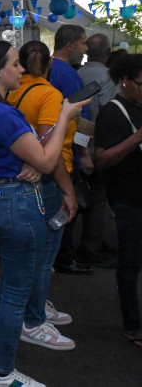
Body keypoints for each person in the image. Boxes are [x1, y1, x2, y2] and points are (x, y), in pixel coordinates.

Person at [0, 40, 88, 387]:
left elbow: (28, 154)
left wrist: (29, 160)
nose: (21, 70)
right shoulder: (1, 112)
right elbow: (48, 160)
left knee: (11, 282)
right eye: (15, 64)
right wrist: (65, 115)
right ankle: (2, 373)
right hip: (15, 204)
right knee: (19, 290)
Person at [6, 41, 78, 353]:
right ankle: (33, 319)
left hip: (28, 176)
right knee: (44, 256)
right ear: (49, 65)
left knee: (35, 256)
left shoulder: (11, 91)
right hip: (49, 178)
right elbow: (48, 148)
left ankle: (37, 305)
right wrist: (68, 189)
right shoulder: (49, 95)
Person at [94, 54, 142, 349]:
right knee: (131, 262)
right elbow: (101, 159)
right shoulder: (113, 112)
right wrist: (136, 138)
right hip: (129, 198)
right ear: (125, 81)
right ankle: (133, 324)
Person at [48, 25, 93, 275]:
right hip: (64, 154)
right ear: (70, 46)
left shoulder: (45, 69)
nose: (85, 50)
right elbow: (80, 122)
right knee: (67, 205)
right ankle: (63, 258)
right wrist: (84, 154)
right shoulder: (70, 76)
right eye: (83, 44)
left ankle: (56, 257)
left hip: (42, 151)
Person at [75, 33, 119, 269]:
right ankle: (92, 247)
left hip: (77, 143)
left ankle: (85, 246)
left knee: (85, 196)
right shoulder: (107, 77)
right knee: (97, 200)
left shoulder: (78, 74)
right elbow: (105, 114)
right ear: (108, 52)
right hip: (95, 146)